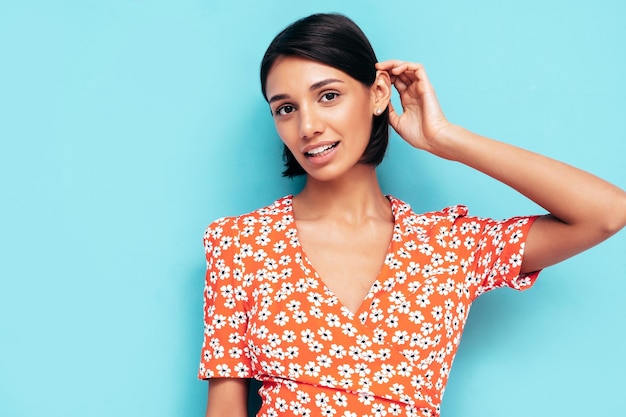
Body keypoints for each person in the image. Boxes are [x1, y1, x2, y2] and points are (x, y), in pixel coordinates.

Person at [198, 13, 626, 417]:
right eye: (285, 108)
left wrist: (446, 139)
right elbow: (224, 408)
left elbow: (606, 213)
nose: (307, 125)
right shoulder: (241, 243)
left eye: (328, 96)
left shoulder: (447, 248)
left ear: (379, 93)